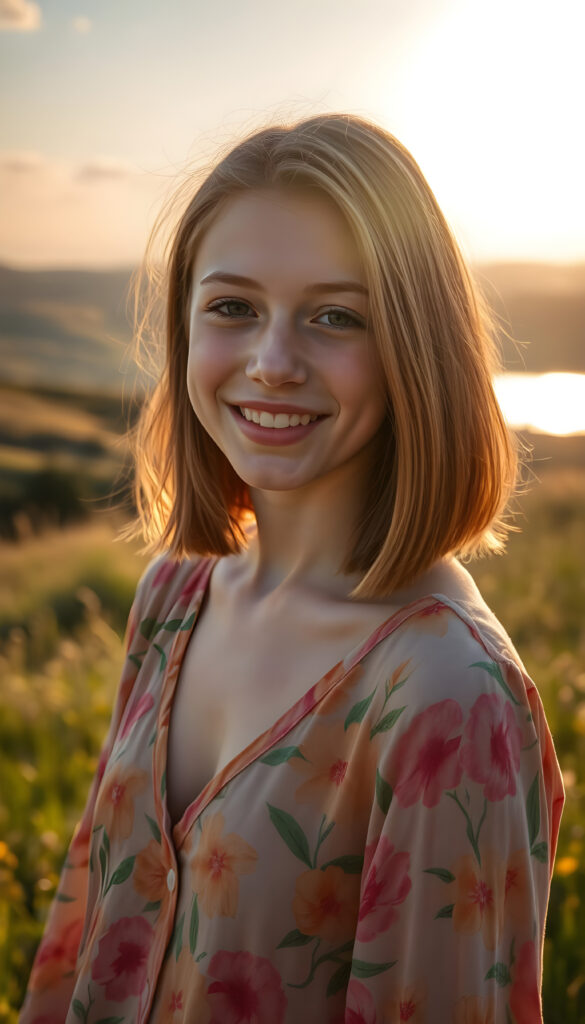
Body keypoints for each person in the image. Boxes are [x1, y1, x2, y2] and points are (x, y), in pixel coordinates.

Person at [20, 113, 564, 1024]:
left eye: (335, 316)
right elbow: (82, 934)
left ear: (414, 348)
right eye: (232, 307)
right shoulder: (174, 598)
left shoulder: (448, 695)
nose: (272, 364)